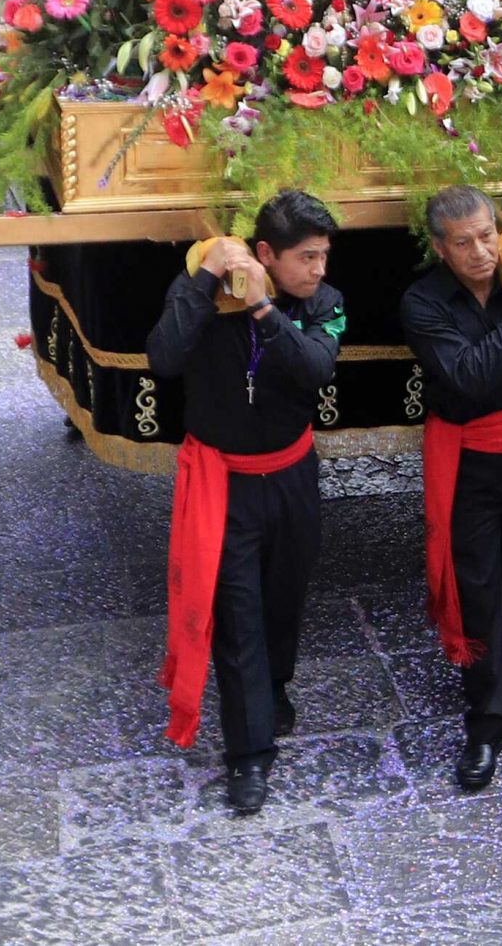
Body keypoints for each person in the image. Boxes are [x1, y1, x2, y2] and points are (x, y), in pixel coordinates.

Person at [148, 190, 345, 815]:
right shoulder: (204, 301)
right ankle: (249, 755)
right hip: (223, 485)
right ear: (265, 253)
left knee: (284, 599)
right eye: (306, 257)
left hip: (291, 479)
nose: (317, 269)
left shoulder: (325, 304)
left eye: (322, 256)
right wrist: (206, 278)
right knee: (239, 618)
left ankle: (275, 687)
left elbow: (315, 367)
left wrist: (264, 307)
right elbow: (163, 357)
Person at [398, 187, 502, 793]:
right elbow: (470, 376)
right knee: (478, 582)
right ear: (441, 247)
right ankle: (486, 722)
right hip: (472, 457)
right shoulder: (423, 302)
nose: (481, 251)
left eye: (487, 235)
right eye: (463, 243)